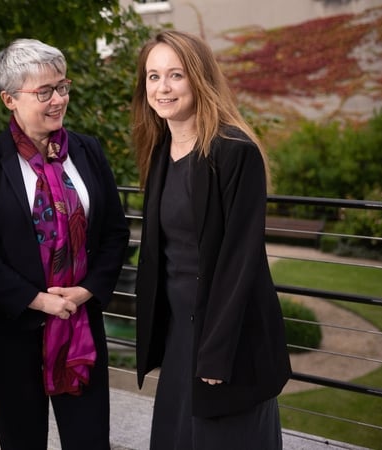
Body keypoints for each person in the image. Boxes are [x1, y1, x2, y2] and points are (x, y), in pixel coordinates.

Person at [0, 38, 130, 450]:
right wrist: (41, 301)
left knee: (89, 443)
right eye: (44, 91)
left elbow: (115, 233)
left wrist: (86, 290)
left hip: (79, 326)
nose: (58, 100)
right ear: (9, 99)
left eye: (63, 86)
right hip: (9, 335)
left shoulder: (88, 150)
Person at [130, 30, 292, 449]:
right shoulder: (161, 152)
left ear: (199, 78)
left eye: (175, 75)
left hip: (227, 338)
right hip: (180, 335)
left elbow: (241, 261)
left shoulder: (234, 152)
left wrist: (216, 352)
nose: (162, 88)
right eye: (153, 76)